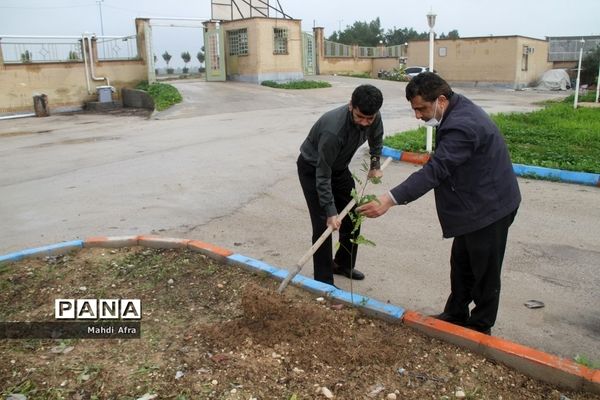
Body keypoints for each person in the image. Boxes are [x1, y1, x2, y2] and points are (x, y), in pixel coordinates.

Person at [357, 73, 521, 335]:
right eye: (415, 109)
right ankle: (456, 314)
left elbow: (436, 171)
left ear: (441, 100)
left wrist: (389, 199)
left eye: (421, 108)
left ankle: (480, 327)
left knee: (485, 272)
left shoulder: (463, 125)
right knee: (462, 264)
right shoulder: (456, 110)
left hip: (491, 208)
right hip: (475, 205)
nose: (418, 116)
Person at [297, 84, 384, 285]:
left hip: (339, 168)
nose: (364, 123)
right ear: (350, 105)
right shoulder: (333, 130)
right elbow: (323, 173)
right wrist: (330, 211)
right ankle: (323, 281)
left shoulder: (373, 117)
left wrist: (374, 164)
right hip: (314, 169)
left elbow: (376, 137)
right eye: (360, 117)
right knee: (323, 225)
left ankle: (343, 264)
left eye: (369, 119)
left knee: (353, 216)